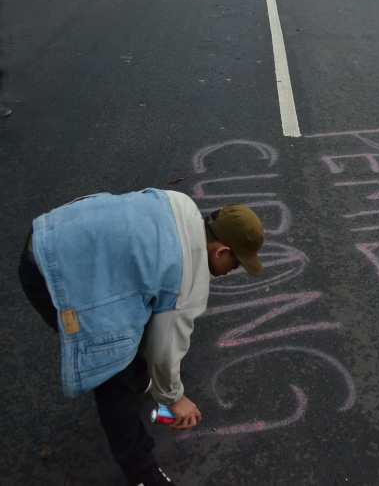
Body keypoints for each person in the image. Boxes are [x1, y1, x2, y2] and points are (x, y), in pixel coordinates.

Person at [19, 190, 265, 486]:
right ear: (221, 251)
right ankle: (141, 473)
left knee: (131, 320)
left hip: (53, 232)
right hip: (55, 274)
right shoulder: (187, 279)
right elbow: (165, 349)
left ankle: (137, 378)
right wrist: (174, 398)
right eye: (237, 263)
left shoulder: (180, 204)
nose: (233, 271)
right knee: (111, 369)